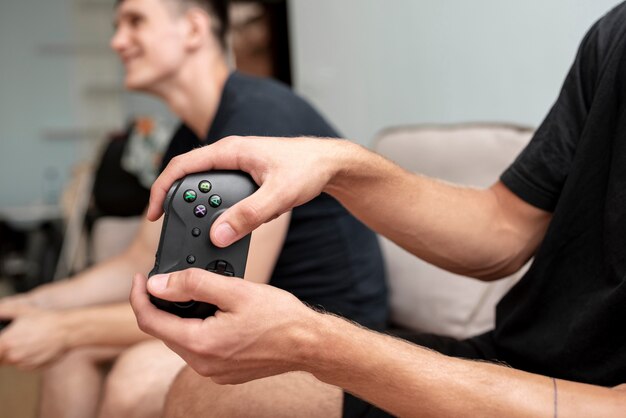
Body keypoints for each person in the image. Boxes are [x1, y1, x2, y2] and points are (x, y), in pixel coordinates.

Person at [130, 2, 626, 417]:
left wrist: (314, 342)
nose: (119, 42)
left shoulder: (260, 106)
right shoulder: (615, 36)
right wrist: (339, 164)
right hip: (518, 357)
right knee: (207, 397)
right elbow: (502, 231)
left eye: (134, 21)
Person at [0, 0, 388, 417]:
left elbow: (228, 298)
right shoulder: (190, 136)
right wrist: (42, 303)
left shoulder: (261, 118)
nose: (117, 41)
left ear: (193, 29)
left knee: (134, 378)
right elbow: (139, 257)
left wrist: (64, 328)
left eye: (135, 22)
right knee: (70, 357)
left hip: (325, 327)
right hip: (249, 317)